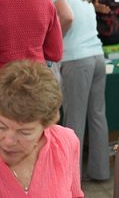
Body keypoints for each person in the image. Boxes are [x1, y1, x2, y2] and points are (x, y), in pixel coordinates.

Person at [50, 0, 110, 181]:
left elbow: (67, 16)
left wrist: (56, 38)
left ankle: (70, 178)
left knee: (74, 118)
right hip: (97, 57)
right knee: (97, 116)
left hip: (76, 60)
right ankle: (100, 171)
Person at [0, 60, 83, 197]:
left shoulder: (66, 141)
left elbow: (75, 195)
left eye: (24, 132)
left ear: (47, 124)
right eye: (1, 127)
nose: (8, 141)